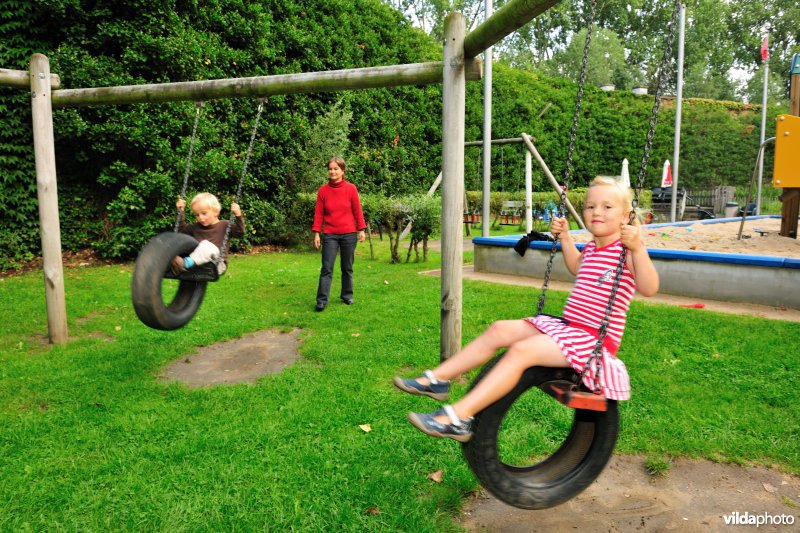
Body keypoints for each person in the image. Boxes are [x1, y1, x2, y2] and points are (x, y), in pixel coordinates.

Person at [394, 177, 659, 442]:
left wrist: (638, 248)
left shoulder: (626, 252)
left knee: (522, 351)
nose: (596, 212)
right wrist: (565, 237)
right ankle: (436, 380)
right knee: (499, 329)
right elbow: (578, 267)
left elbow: (649, 287)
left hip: (592, 341)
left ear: (626, 216)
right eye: (590, 206)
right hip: (569, 328)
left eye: (607, 207)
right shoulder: (592, 247)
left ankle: (459, 417)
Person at [311, 156, 366, 312]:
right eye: (330, 169)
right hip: (329, 235)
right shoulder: (323, 191)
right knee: (327, 267)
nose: (332, 171)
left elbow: (357, 210)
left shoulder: (351, 189)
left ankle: (347, 295)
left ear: (342, 170)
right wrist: (316, 233)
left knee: (347, 267)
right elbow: (318, 214)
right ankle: (322, 300)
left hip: (349, 234)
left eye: (336, 169)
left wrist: (361, 229)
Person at [171, 192, 245, 276]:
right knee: (176, 242)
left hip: (217, 265)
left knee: (206, 245)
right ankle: (172, 263)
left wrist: (238, 215)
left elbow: (240, 232)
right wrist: (180, 212)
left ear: (215, 211)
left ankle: (184, 263)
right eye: (197, 215)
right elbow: (180, 231)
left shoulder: (225, 225)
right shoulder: (195, 227)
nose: (200, 218)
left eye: (204, 213)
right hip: (198, 263)